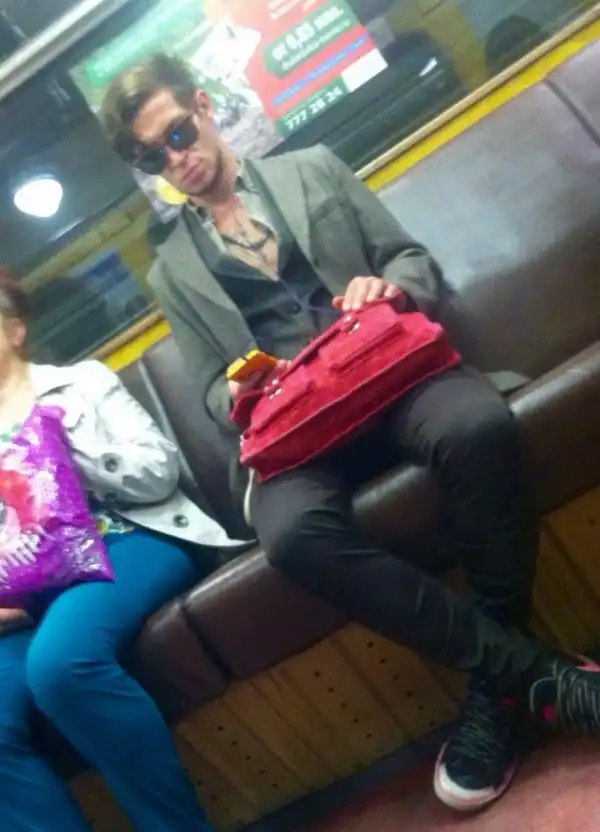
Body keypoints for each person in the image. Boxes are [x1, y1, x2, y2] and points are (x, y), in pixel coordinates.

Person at [102, 53, 600, 813]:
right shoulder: (172, 270)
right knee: (291, 536)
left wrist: (388, 286)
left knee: (474, 426)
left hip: (392, 373)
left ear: (202, 106)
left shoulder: (313, 168)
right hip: (296, 427)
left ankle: (503, 691)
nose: (177, 161)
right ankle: (532, 675)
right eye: (153, 158)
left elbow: (409, 256)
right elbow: (205, 386)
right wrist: (232, 387)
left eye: (177, 134)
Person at [0, 268, 247, 831]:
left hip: (126, 541)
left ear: (15, 330)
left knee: (60, 665)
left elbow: (160, 471)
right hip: (31, 593)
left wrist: (71, 454)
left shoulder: (79, 385)